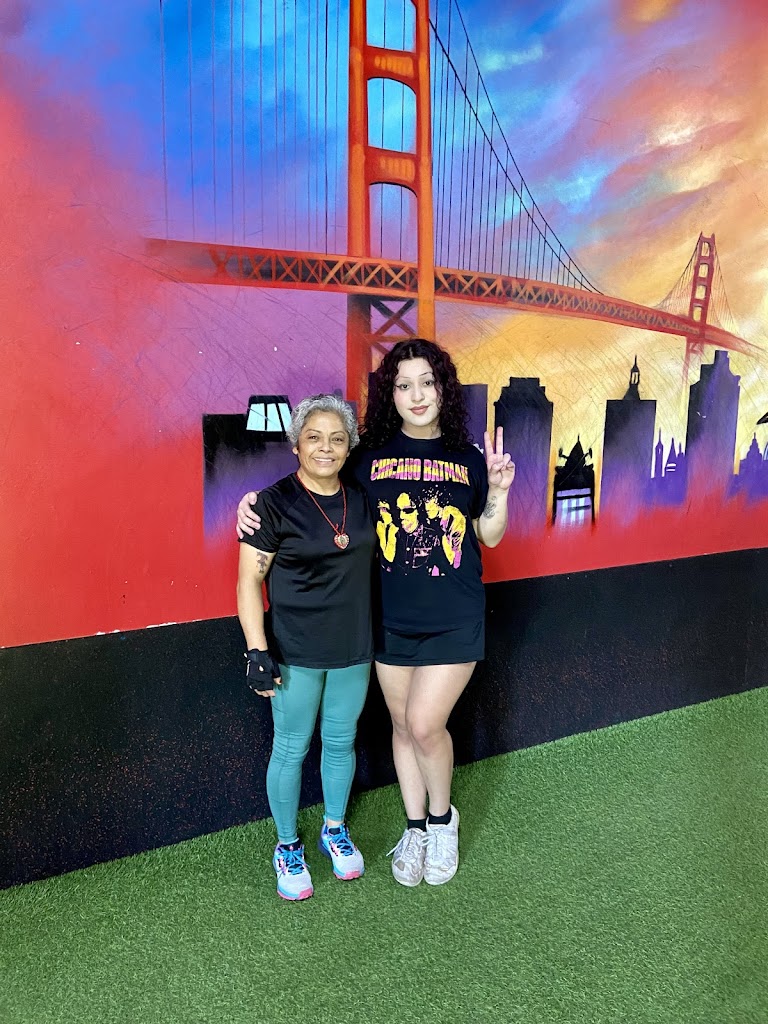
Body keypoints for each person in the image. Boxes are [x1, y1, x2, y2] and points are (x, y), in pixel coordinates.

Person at [238, 339, 514, 888]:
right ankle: (415, 828)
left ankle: (443, 821)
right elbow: (316, 484)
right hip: (386, 621)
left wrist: (500, 492)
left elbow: (488, 535)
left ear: (444, 389)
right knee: (401, 726)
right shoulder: (367, 456)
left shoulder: (469, 458)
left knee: (425, 723)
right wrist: (251, 504)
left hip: (455, 616)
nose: (418, 395)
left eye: (427, 382)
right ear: (392, 394)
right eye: (404, 384)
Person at [237, 393, 375, 901]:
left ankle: (334, 830)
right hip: (294, 652)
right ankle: (288, 845)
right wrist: (256, 651)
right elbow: (249, 582)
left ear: (349, 447)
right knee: (291, 749)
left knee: (340, 743)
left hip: (354, 650)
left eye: (337, 439)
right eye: (314, 438)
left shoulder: (363, 499)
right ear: (296, 444)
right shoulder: (271, 504)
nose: (325, 448)